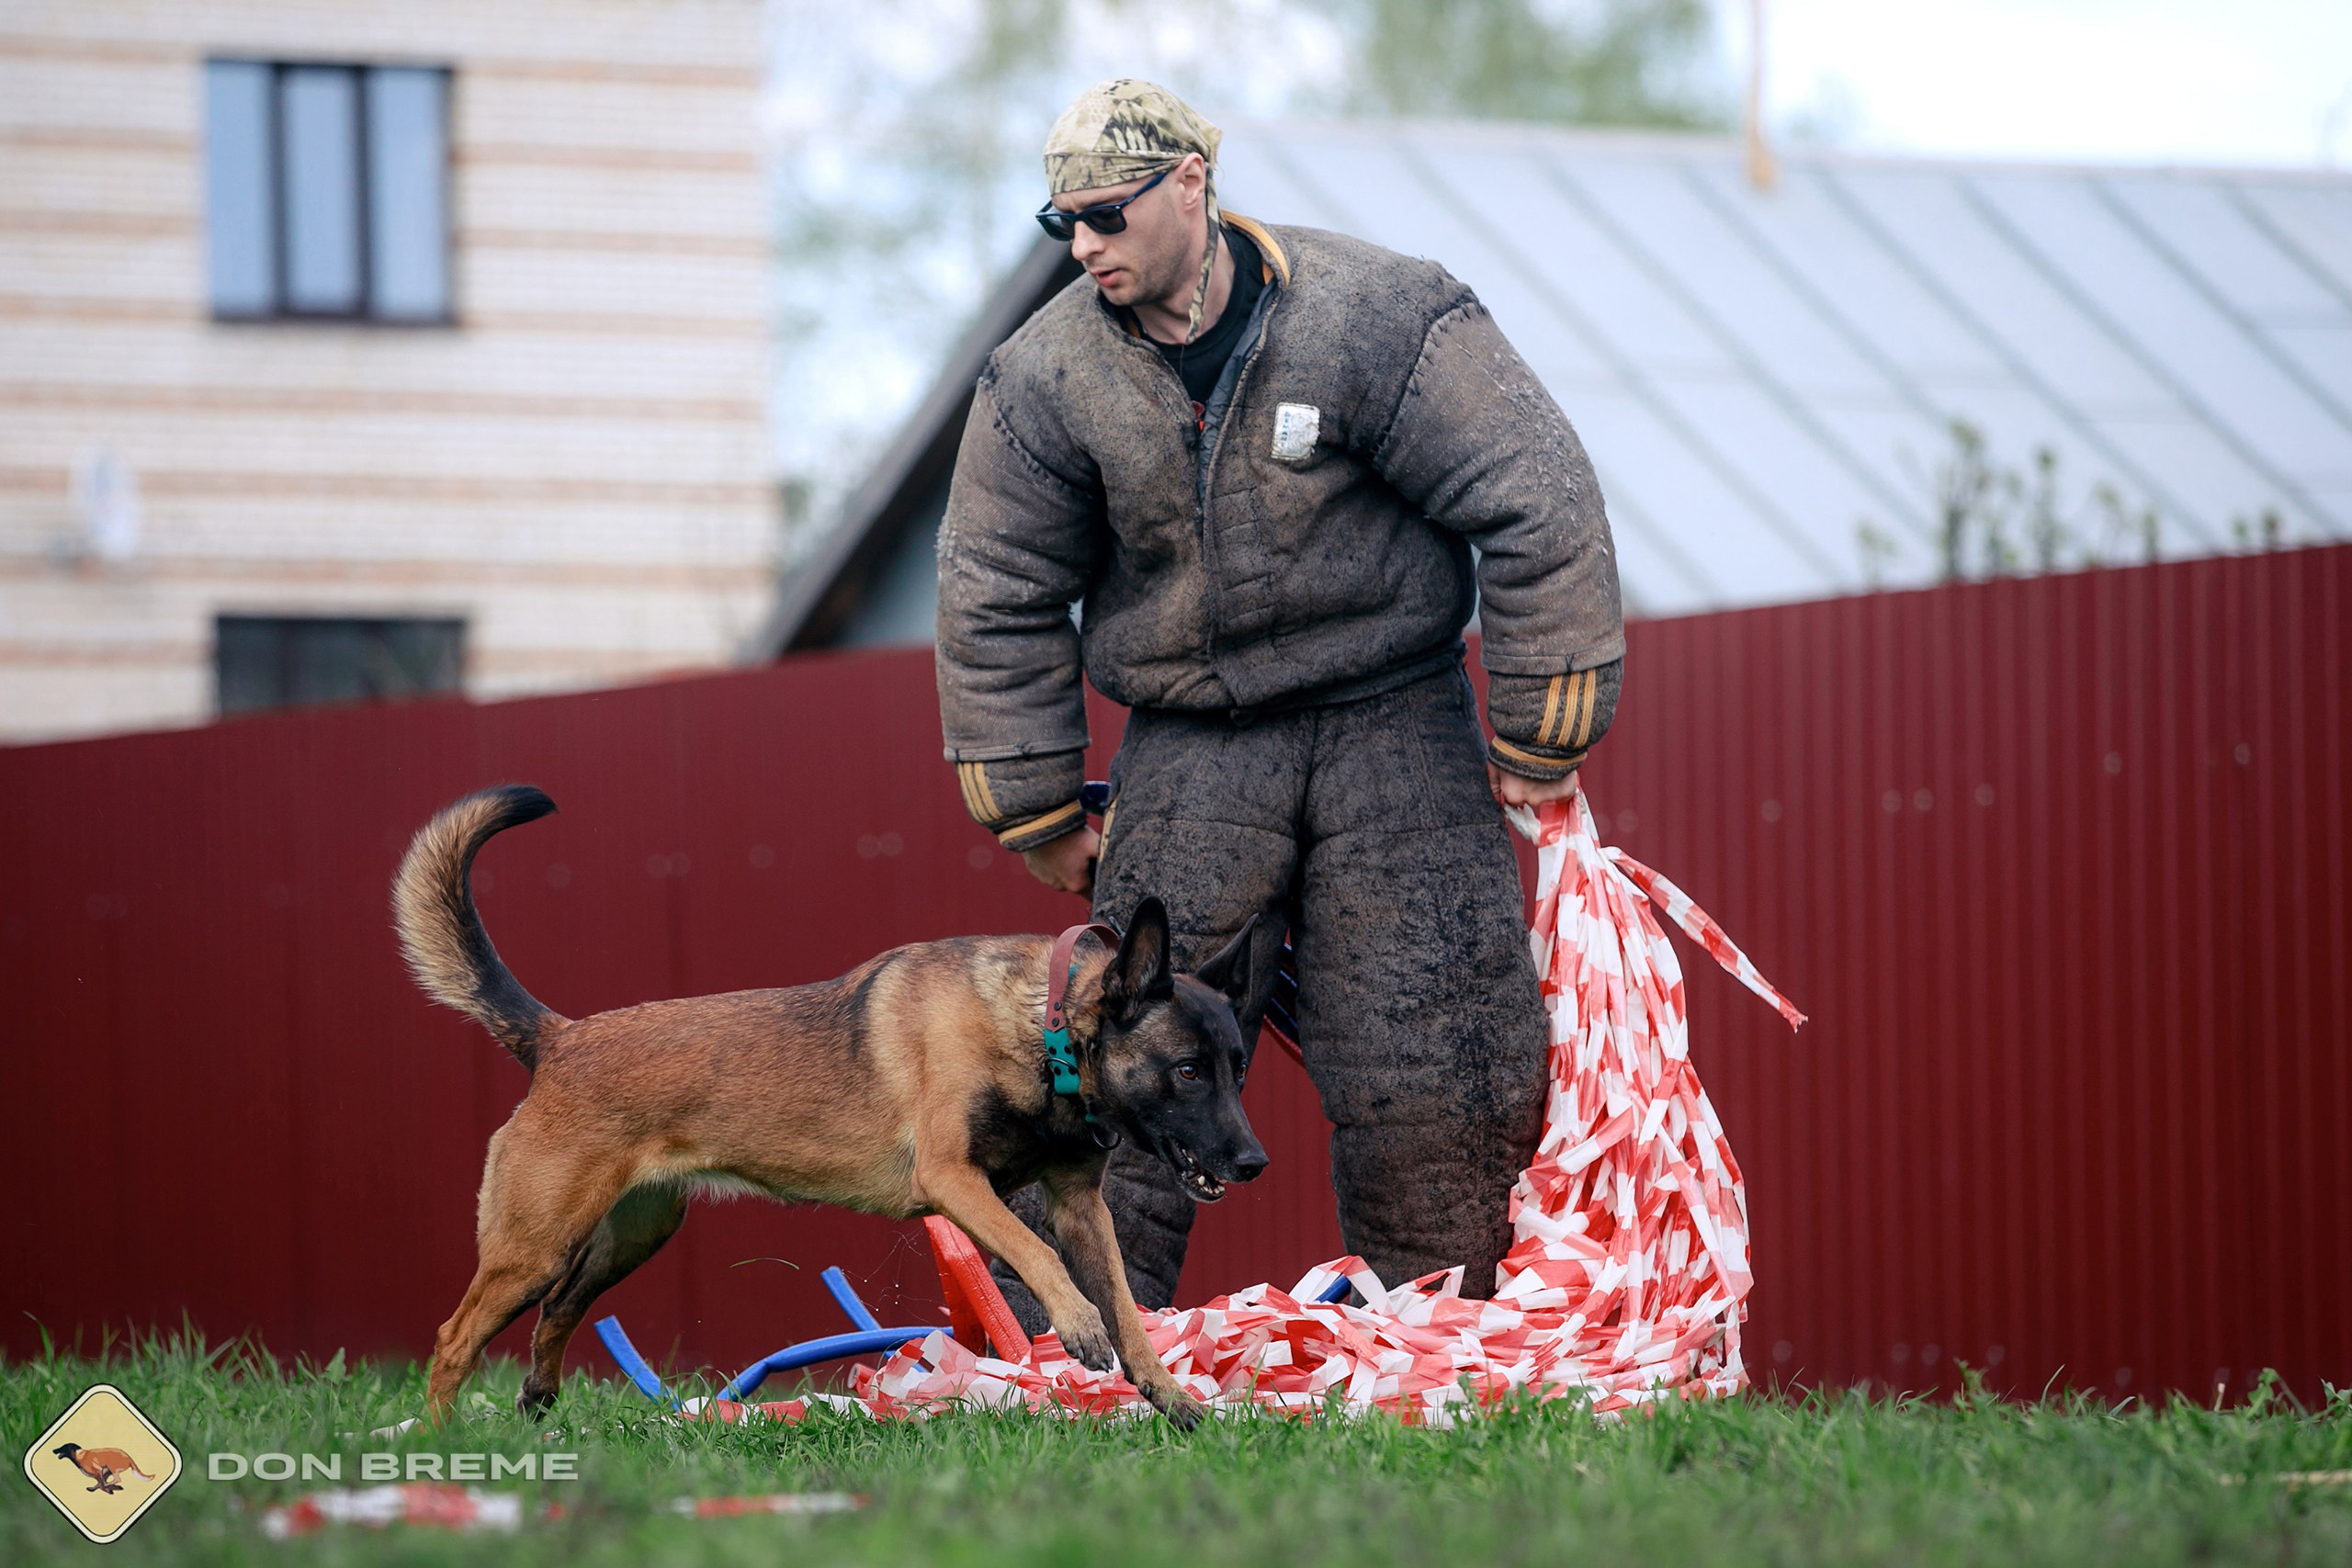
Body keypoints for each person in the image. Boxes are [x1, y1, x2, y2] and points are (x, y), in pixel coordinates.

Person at [934, 79, 1624, 1326]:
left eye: (1105, 215)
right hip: (1192, 750)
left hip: (1396, 728)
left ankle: (1450, 1352)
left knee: (1437, 1054)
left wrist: (1541, 730)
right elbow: (993, 591)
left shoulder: (1380, 317)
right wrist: (1033, 810)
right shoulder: (1042, 382)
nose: (1083, 247)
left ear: (1190, 182)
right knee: (1120, 1062)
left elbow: (1537, 493)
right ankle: (1070, 1363)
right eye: (1063, 226)